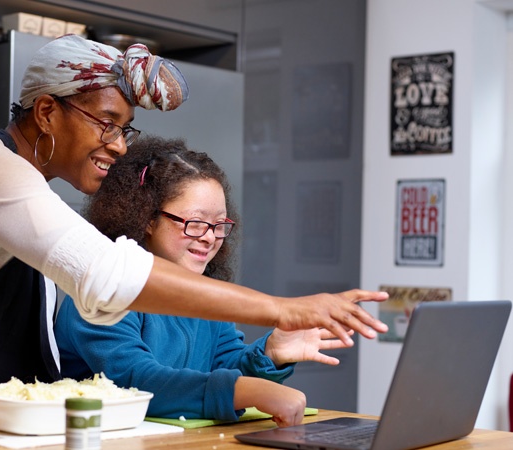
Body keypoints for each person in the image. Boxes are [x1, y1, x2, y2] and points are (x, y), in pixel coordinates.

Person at [0, 34, 387, 427]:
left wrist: (266, 355)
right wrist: (281, 308)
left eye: (124, 129)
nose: (118, 146)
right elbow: (104, 275)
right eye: (105, 123)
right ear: (47, 111)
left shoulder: (34, 192)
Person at [55, 135, 353, 427]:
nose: (210, 237)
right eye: (195, 223)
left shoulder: (204, 295)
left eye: (219, 225)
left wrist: (270, 354)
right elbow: (136, 383)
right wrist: (248, 391)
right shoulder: (101, 293)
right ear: (146, 218)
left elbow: (226, 366)